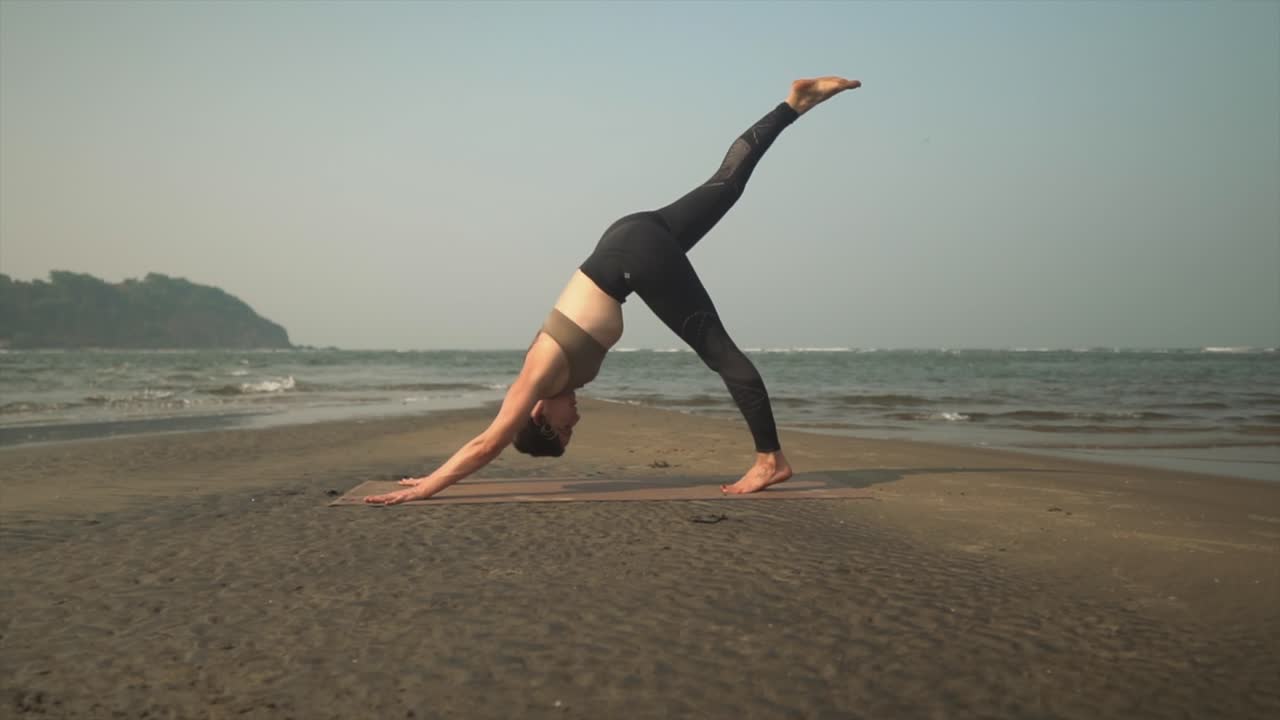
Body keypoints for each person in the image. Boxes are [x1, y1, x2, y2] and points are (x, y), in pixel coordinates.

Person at [365, 76, 861, 506]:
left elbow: (489, 442)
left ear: (538, 414)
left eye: (563, 427)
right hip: (630, 238)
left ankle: (770, 459)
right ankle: (795, 104)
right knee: (726, 183)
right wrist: (435, 474)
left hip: (632, 259)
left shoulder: (535, 378)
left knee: (720, 354)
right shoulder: (558, 381)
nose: (574, 420)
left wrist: (427, 486)